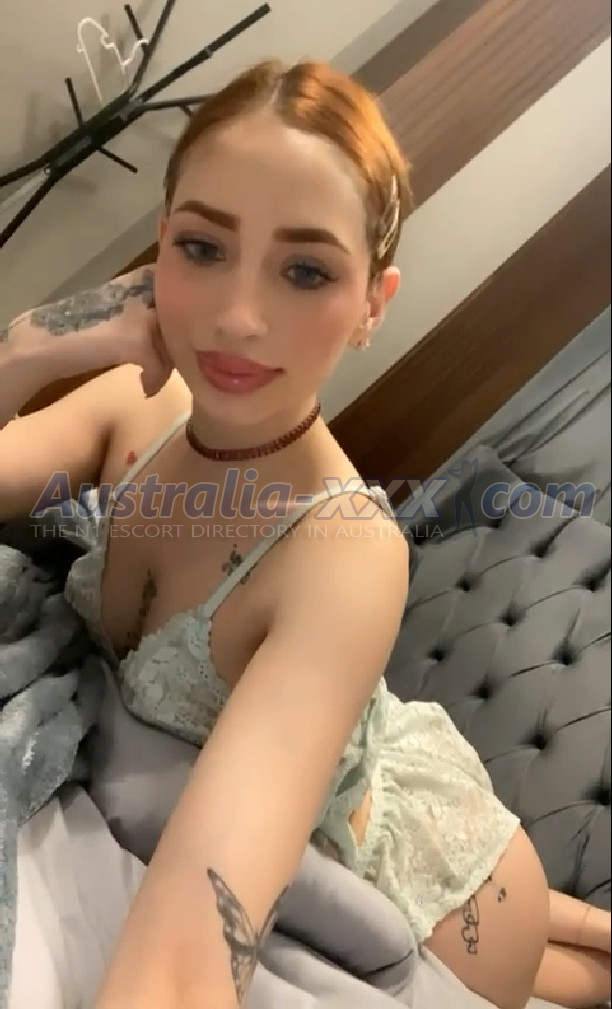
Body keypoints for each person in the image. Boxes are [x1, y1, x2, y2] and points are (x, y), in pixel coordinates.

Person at [1, 58, 610, 1009]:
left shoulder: (344, 552)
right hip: (370, 772)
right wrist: (25, 349)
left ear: (373, 302)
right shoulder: (133, 408)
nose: (238, 316)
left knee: (567, 977)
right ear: (158, 250)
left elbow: (183, 965)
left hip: (446, 894)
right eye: (204, 247)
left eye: (306, 270)